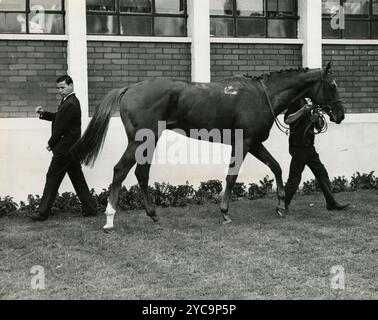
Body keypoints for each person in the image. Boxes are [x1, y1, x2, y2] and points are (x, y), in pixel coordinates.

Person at [29, 75, 97, 221]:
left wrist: (51, 143)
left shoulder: (70, 103)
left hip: (65, 149)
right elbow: (59, 118)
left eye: (63, 87)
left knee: (52, 178)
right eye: (58, 88)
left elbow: (61, 127)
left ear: (71, 85)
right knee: (77, 178)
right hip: (71, 148)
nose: (60, 90)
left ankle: (42, 213)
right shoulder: (68, 101)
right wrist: (43, 114)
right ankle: (90, 208)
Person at [283, 98, 349, 213]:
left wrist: (315, 120)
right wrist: (302, 111)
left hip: (309, 147)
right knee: (294, 179)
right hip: (298, 146)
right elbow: (287, 120)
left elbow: (318, 127)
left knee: (322, 174)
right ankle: (283, 205)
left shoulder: (313, 104)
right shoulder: (296, 102)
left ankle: (331, 203)